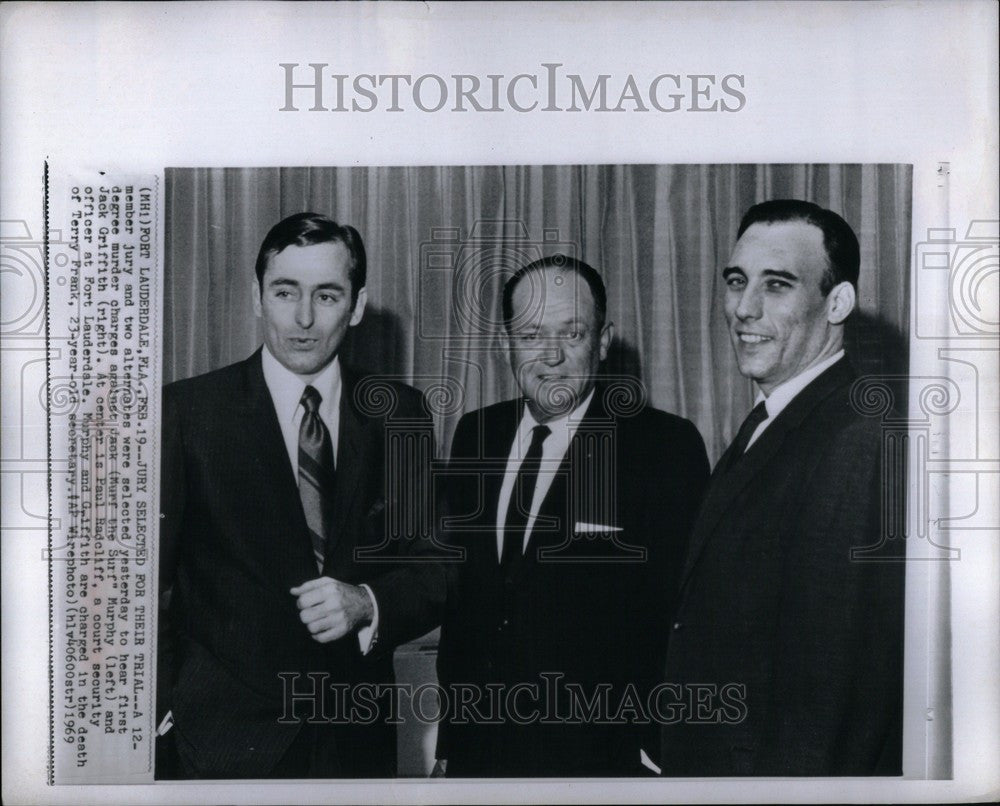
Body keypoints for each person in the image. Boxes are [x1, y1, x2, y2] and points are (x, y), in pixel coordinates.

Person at [157, 212, 444, 778]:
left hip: (355, 739)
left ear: (357, 306)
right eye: (285, 292)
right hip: (217, 746)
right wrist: (167, 712)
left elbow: (436, 568)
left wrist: (367, 603)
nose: (304, 319)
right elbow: (144, 585)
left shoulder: (400, 413)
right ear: (258, 297)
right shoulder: (186, 412)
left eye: (328, 295)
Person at [435, 255, 710, 777]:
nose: (553, 356)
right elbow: (466, 608)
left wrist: (655, 753)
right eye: (533, 334)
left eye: (573, 333)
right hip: (481, 756)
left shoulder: (664, 447)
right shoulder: (476, 434)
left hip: (601, 760)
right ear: (505, 344)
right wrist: (450, 747)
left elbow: (686, 618)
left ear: (603, 342)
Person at [659, 200, 905, 776]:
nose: (744, 309)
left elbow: (834, 685)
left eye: (777, 285)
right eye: (737, 282)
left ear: (837, 302)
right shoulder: (775, 417)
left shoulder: (856, 437)